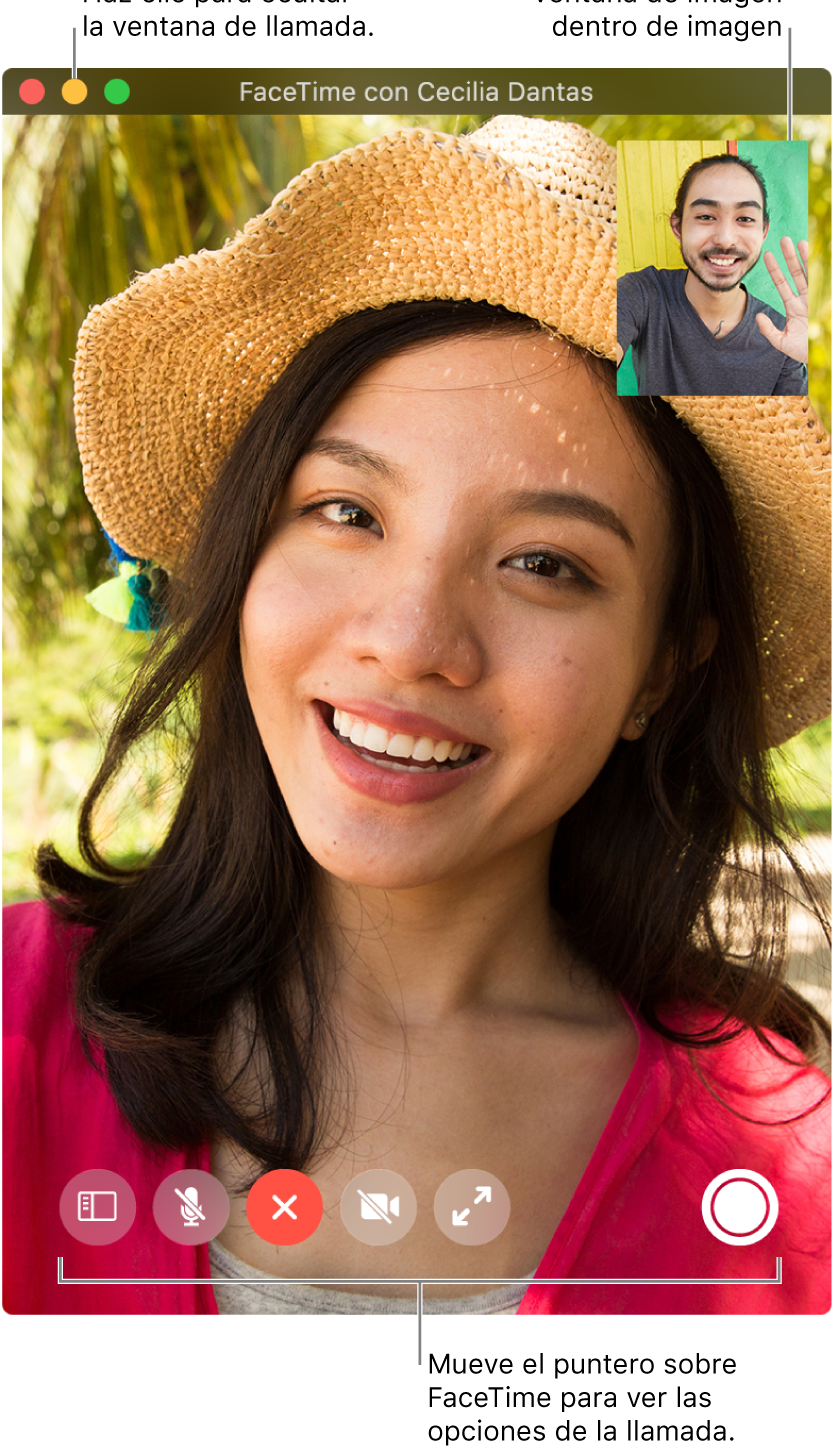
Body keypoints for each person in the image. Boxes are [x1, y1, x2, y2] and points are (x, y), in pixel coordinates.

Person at [3, 118, 831, 1318]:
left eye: (545, 563)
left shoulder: (782, 1175)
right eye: (346, 511)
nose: (411, 641)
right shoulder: (18, 1024)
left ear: (662, 668)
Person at [617, 152, 809, 395]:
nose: (726, 239)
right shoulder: (641, 294)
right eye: (706, 216)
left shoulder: (787, 336)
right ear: (677, 226)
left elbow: (796, 431)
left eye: (745, 218)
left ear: (763, 231)